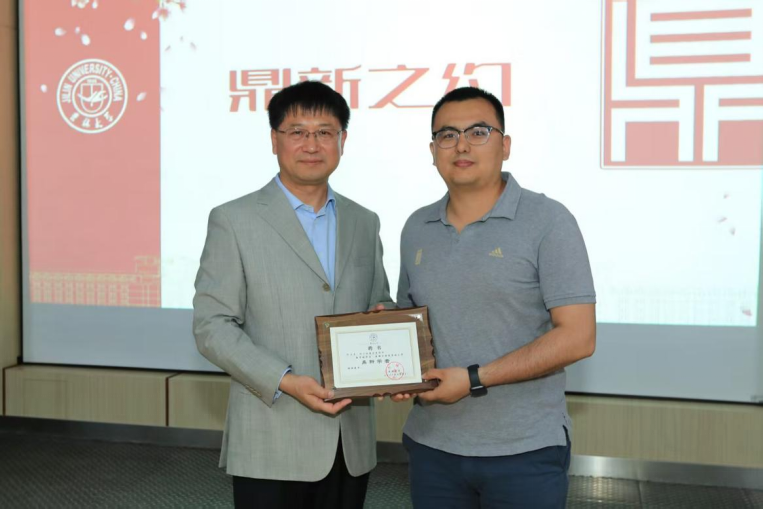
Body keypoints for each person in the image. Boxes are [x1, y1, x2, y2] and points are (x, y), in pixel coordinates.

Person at [193, 80, 393, 509]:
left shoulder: (365, 221)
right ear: (274, 140)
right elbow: (212, 326)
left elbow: (379, 301)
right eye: (297, 131)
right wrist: (284, 380)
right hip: (271, 437)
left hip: (350, 442)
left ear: (343, 141)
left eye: (325, 132)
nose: (312, 144)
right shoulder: (234, 220)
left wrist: (388, 327)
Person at [395, 86, 597, 508]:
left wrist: (473, 379)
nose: (461, 145)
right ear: (432, 150)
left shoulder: (549, 221)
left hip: (524, 450)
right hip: (432, 447)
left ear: (504, 145)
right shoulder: (416, 227)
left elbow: (578, 337)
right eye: (447, 135)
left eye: (478, 132)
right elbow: (410, 324)